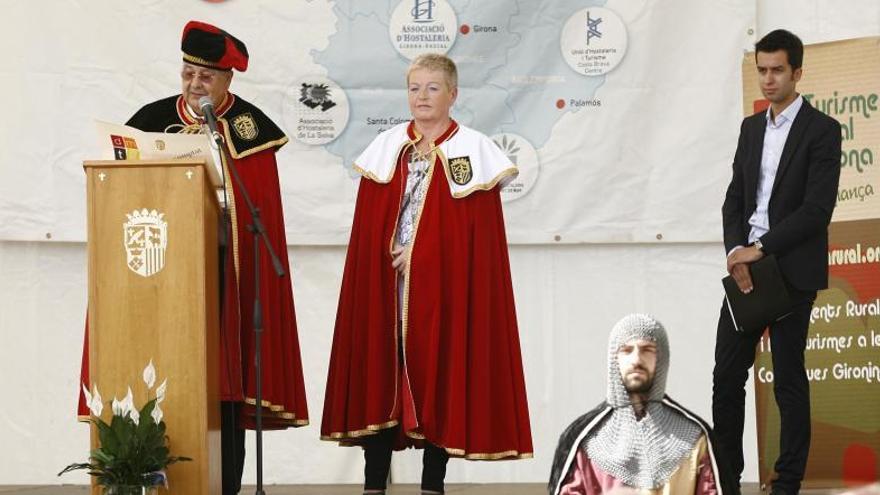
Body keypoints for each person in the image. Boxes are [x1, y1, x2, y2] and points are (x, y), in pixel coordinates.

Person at [78, 20, 309, 495]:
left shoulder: (250, 130)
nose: (193, 84)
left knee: (224, 383)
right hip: (158, 273)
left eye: (205, 77)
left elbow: (254, 205)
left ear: (228, 79)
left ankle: (225, 484)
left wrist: (220, 202)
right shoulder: (149, 118)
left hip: (223, 274)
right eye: (187, 73)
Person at [320, 53, 533, 494]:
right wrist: (387, 250)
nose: (421, 96)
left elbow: (472, 236)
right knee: (381, 376)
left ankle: (432, 485)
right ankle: (373, 483)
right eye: (415, 87)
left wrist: (426, 256)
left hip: (444, 292)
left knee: (441, 375)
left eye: (432, 88)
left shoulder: (472, 150)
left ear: (453, 95)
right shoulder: (387, 148)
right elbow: (370, 223)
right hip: (386, 285)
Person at [713, 29, 841, 495]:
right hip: (745, 271)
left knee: (787, 377)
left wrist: (761, 248)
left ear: (797, 72)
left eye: (777, 70)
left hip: (789, 268)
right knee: (727, 375)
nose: (768, 79)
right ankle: (727, 479)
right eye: (762, 70)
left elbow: (816, 210)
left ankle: (787, 482)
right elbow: (734, 200)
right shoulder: (750, 129)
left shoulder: (823, 130)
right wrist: (735, 253)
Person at [549, 314, 733, 495]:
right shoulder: (584, 439)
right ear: (614, 358)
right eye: (627, 350)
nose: (637, 360)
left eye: (647, 350)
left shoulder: (694, 437)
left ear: (661, 358)